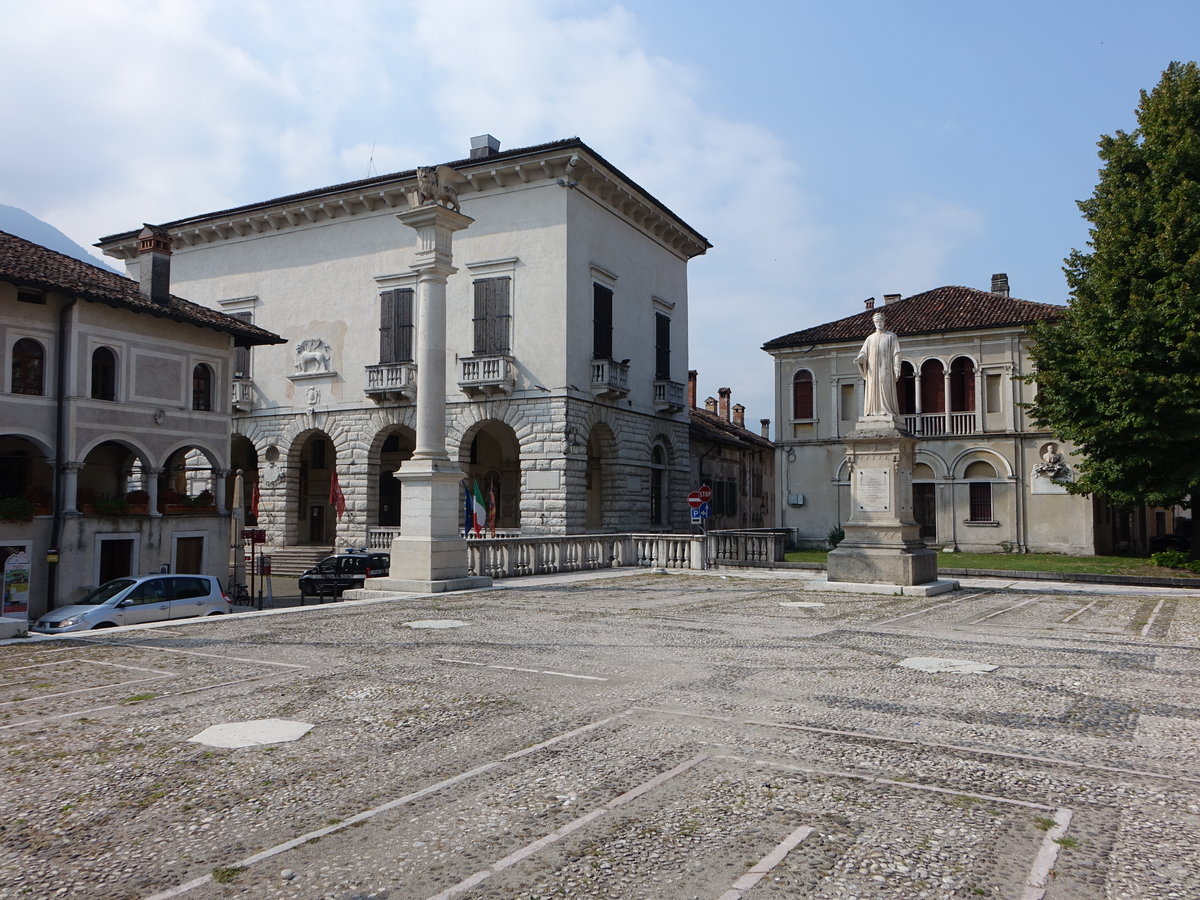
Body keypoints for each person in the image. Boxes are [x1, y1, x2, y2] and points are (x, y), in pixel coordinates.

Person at [855, 311, 902, 417]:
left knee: (885, 386)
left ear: (884, 322)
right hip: (872, 370)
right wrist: (860, 359)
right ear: (874, 323)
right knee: (872, 388)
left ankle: (886, 409)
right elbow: (863, 353)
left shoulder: (891, 336)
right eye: (876, 321)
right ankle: (873, 410)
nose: (879, 323)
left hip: (885, 368)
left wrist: (897, 367)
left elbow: (897, 353)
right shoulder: (870, 338)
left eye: (880, 321)